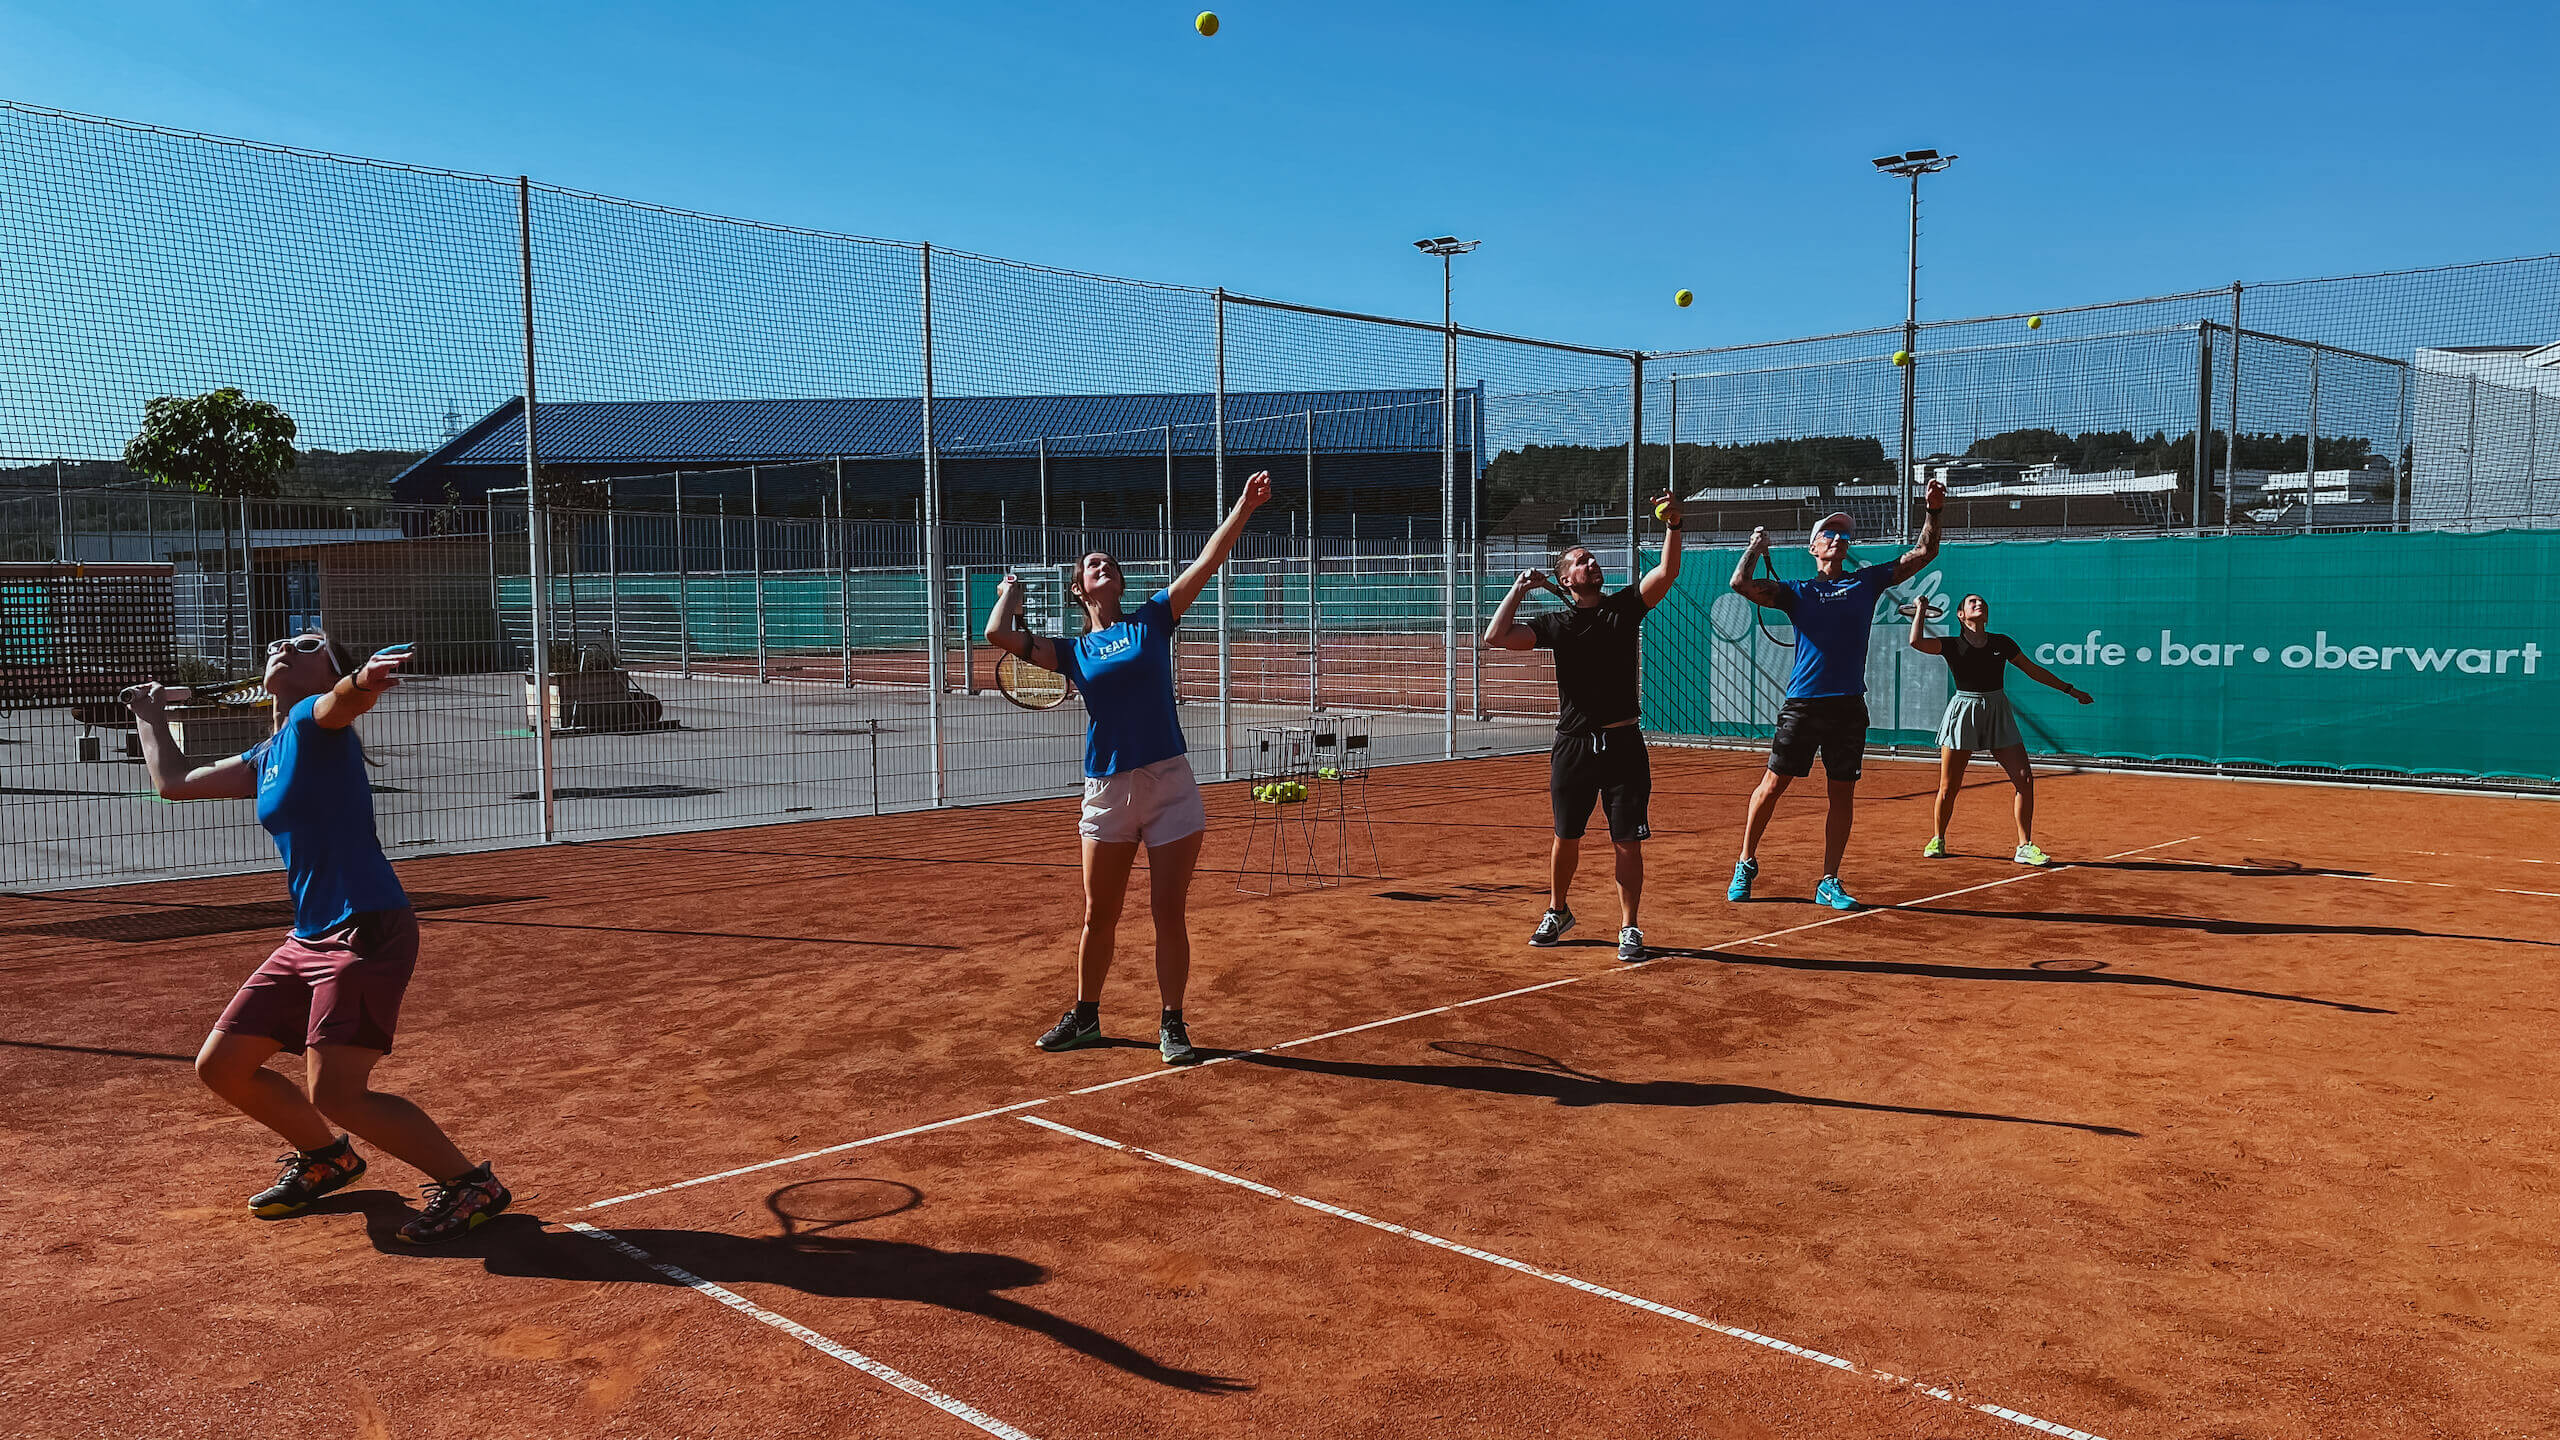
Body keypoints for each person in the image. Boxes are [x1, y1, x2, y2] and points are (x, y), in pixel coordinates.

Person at [125, 633, 508, 1244]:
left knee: (337, 1091)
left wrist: (361, 682)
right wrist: (150, 717)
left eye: (305, 643)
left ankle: (471, 1184)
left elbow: (338, 703)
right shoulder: (270, 753)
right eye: (277, 642)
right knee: (222, 1067)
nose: (283, 646)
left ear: (328, 668)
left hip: (366, 928)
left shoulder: (312, 720)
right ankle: (328, 1158)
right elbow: (174, 782)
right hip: (308, 938)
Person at [987, 470, 1273, 1066]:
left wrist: (1243, 507)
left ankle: (1173, 1022)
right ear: (1079, 590)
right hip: (1108, 789)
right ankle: (1086, 1016)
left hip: (1168, 782)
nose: (1104, 565)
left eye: (1109, 561)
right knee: (1100, 913)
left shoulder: (1152, 619)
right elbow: (997, 633)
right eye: (1092, 565)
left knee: (1169, 913)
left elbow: (1209, 559)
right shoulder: (1070, 652)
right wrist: (1009, 589)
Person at [1481, 490, 1686, 963]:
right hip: (1573, 745)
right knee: (1565, 836)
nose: (1591, 563)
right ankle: (1558, 910)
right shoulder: (1556, 623)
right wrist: (1518, 590)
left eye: (1592, 558)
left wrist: (1674, 525)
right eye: (1580, 561)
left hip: (1623, 743)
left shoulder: (1623, 608)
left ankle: (1629, 928)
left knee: (1626, 839)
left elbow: (1667, 573)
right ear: (1565, 579)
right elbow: (1496, 637)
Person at [1726, 480, 1945, 910]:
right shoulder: (1796, 592)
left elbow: (1925, 554)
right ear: (1813, 547)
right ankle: (1746, 861)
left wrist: (1933, 512)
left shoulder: (1866, 582)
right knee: (1773, 785)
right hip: (1803, 705)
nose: (1839, 538)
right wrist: (1755, 546)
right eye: (1830, 533)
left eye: (1844, 534)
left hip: (1848, 705)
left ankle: (1829, 879)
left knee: (1841, 794)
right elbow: (1739, 583)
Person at [1906, 591, 2093, 866]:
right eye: (1972, 602)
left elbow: (2032, 670)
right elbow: (1917, 642)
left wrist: (2070, 689)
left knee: (2024, 779)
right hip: (1963, 712)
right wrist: (1920, 610)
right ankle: (1938, 838)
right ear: (1961, 615)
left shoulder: (2002, 643)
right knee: (1949, 786)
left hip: (1997, 710)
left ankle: (2024, 846)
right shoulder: (1950, 644)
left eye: (1982, 602)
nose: (1979, 604)